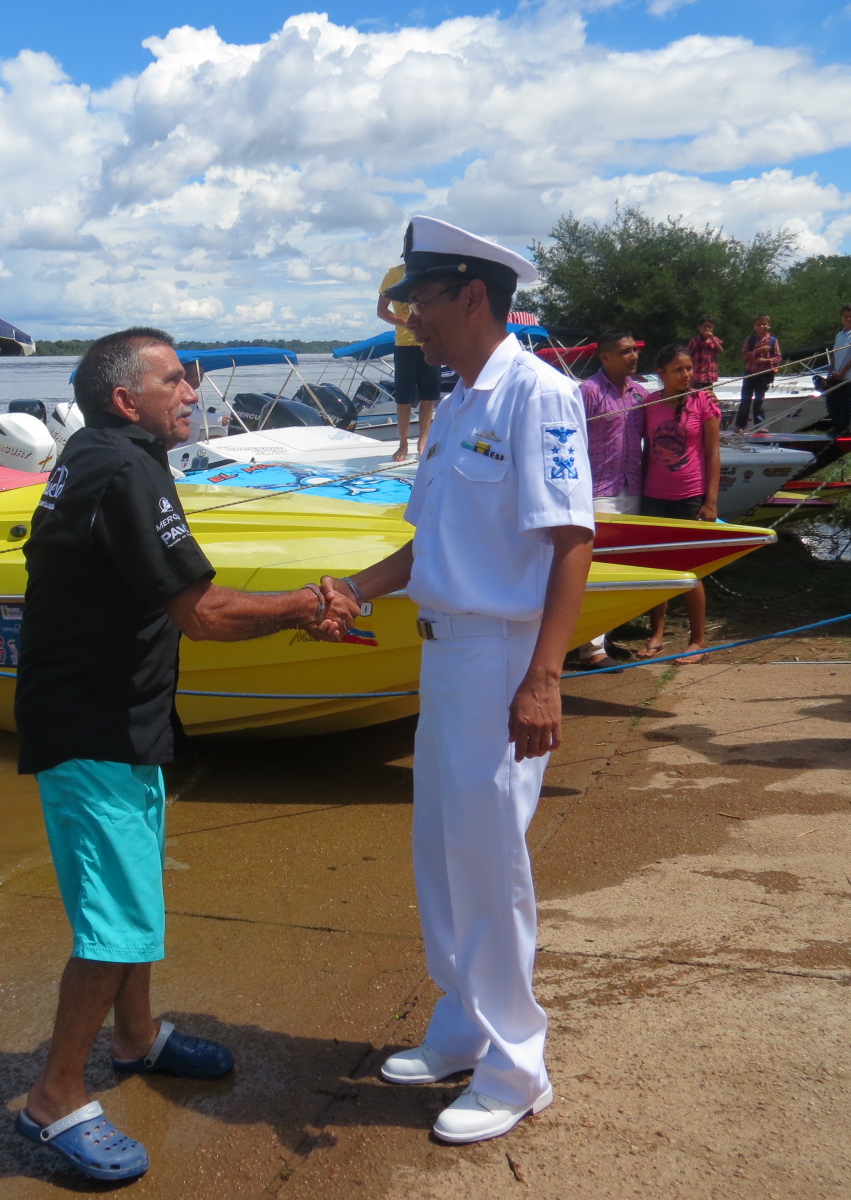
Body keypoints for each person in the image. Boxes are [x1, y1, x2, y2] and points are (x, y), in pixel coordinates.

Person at [12, 326, 359, 1181]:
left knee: (135, 898)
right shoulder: (125, 468)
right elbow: (200, 612)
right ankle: (53, 1097)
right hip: (90, 728)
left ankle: (134, 1039)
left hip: (119, 720)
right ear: (128, 399)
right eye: (176, 379)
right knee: (115, 920)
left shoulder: (102, 453)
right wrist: (306, 604)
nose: (193, 391)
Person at [333, 216, 594, 1145]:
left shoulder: (538, 396)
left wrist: (545, 677)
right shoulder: (460, 402)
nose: (411, 321)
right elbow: (432, 543)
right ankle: (461, 1026)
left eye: (421, 301)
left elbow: (572, 543)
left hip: (499, 658)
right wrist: (354, 590)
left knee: (490, 863)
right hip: (444, 654)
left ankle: (517, 1067)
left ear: (471, 296)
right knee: (442, 848)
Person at [639, 344, 722, 664]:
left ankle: (697, 640)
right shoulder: (648, 403)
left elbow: (714, 453)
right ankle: (657, 633)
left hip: (690, 497)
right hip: (653, 495)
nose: (687, 375)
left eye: (689, 368)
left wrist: (711, 501)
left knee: (690, 570)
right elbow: (645, 449)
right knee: (655, 567)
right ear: (661, 374)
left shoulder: (704, 402)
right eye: (678, 369)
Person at [576, 329, 647, 666]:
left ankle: (605, 634)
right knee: (595, 568)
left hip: (631, 488)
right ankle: (590, 648)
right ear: (604, 356)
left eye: (634, 350)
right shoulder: (589, 392)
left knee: (621, 566)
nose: (633, 356)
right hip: (597, 490)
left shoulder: (640, 394)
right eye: (624, 351)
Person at [378, 261, 440, 460]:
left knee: (429, 397)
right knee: (403, 398)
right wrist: (408, 323)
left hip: (429, 342)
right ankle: (403, 443)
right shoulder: (394, 274)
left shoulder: (431, 271)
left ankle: (423, 440)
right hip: (404, 345)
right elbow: (382, 311)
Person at [823, 305, 851, 436]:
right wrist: (831, 370)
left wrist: (843, 371)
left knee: (849, 405)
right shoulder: (839, 335)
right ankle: (838, 427)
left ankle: (848, 430)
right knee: (832, 403)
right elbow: (834, 353)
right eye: (846, 316)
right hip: (837, 375)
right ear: (842, 318)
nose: (848, 319)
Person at [737, 314, 782, 431]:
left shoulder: (772, 341)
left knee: (759, 400)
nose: (762, 326)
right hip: (750, 373)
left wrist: (767, 360)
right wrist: (757, 351)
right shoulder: (749, 340)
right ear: (755, 327)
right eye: (759, 324)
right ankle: (741, 425)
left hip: (764, 375)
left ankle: (760, 425)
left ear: (769, 326)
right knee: (745, 400)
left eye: (764, 324)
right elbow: (744, 356)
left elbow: (778, 358)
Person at [686, 314, 724, 391]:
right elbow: (688, 355)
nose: (707, 329)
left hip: (709, 376)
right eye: (704, 327)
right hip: (698, 376)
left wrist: (712, 339)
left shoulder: (715, 340)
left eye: (709, 327)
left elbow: (721, 351)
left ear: (713, 328)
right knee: (696, 396)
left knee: (708, 397)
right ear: (699, 328)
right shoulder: (695, 341)